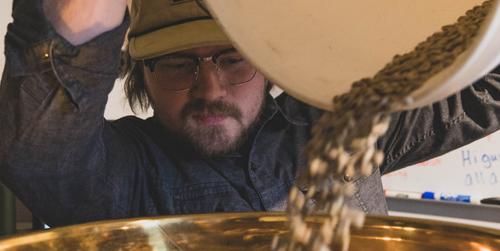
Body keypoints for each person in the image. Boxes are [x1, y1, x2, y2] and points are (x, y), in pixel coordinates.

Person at [0, 0, 499, 228]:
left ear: (269, 66)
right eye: (177, 64)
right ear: (142, 75)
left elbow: (484, 92)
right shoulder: (121, 173)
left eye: (233, 59)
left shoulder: (341, 125)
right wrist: (77, 21)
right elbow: (37, 154)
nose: (209, 88)